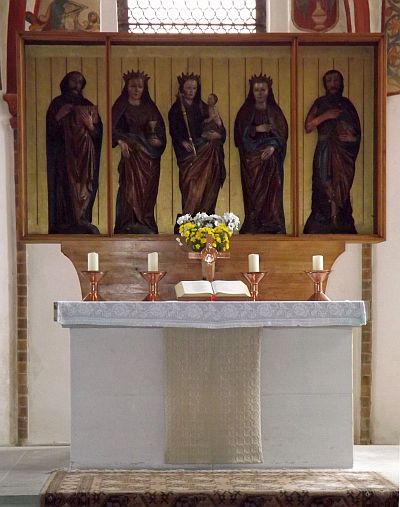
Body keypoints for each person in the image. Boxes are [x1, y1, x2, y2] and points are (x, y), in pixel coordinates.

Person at [303, 69, 361, 234]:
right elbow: (308, 126)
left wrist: (349, 137)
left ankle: (339, 219)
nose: (333, 84)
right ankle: (325, 218)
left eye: (336, 80)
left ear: (341, 83)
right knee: (324, 182)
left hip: (343, 153)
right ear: (325, 84)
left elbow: (356, 133)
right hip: (325, 148)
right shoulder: (320, 103)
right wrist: (327, 115)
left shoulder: (347, 104)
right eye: (329, 81)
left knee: (341, 186)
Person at [46, 71, 103, 234]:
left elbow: (98, 134)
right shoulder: (57, 104)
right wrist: (59, 116)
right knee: (64, 184)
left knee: (86, 184)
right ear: (66, 82)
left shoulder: (87, 104)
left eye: (80, 82)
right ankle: (65, 221)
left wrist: (91, 125)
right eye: (73, 81)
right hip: (65, 154)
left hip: (86, 154)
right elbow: (50, 131)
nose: (76, 85)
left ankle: (82, 218)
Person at [168, 73, 226, 230]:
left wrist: (218, 132)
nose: (191, 91)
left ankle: (206, 215)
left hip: (206, 151)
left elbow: (219, 129)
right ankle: (190, 217)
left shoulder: (203, 107)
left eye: (194, 88)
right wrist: (182, 141)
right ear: (182, 89)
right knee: (191, 186)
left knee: (208, 184)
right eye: (188, 88)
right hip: (190, 156)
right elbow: (174, 130)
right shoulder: (177, 109)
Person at [112, 70, 166, 234]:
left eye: (140, 86)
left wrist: (157, 140)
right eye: (133, 86)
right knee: (129, 187)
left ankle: (145, 221)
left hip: (149, 157)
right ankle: (128, 222)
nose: (136, 90)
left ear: (144, 89)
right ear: (127, 87)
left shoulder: (150, 108)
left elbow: (159, 132)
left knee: (147, 191)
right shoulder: (121, 106)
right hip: (132, 154)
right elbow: (113, 129)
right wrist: (121, 141)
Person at [234, 74, 288, 234]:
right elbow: (239, 136)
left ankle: (273, 224)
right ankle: (254, 222)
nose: (259, 93)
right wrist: (256, 129)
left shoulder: (275, 112)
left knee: (273, 191)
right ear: (252, 91)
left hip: (271, 160)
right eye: (256, 89)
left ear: (269, 91)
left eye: (263, 89)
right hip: (252, 161)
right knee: (254, 193)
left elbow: (282, 135)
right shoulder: (245, 112)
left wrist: (273, 147)